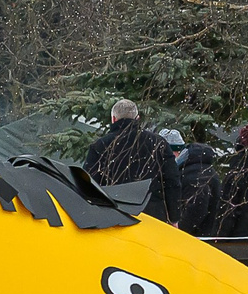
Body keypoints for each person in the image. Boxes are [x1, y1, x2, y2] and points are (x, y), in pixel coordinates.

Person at [84, 98, 181, 226]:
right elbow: (172, 182)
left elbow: (88, 184)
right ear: (137, 118)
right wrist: (174, 217)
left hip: (114, 215)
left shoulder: (100, 146)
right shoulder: (158, 144)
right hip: (152, 216)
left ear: (113, 119)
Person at [175, 137, 225, 239]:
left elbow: (197, 208)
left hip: (195, 237)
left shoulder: (193, 176)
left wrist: (179, 231)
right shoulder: (209, 172)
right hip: (207, 233)